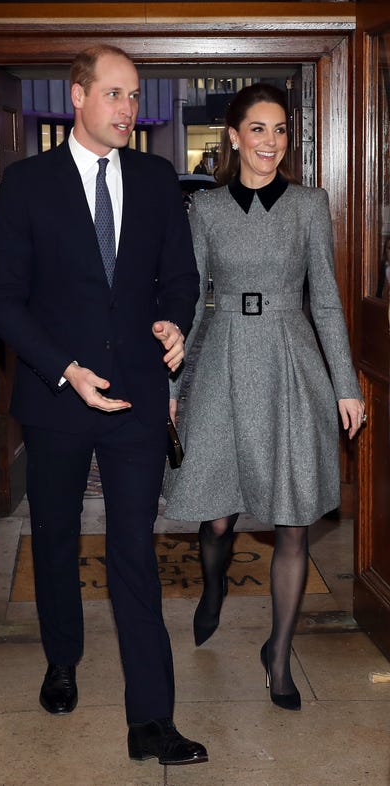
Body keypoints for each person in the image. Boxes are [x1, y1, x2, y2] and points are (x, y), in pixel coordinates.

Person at [0, 45, 207, 766]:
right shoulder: (27, 183)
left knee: (133, 549)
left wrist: (174, 321)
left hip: (138, 396)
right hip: (57, 398)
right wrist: (64, 370)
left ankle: (152, 721)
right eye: (114, 94)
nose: (127, 109)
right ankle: (62, 659)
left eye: (135, 96)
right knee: (53, 537)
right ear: (77, 96)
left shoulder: (152, 177)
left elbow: (180, 277)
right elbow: (4, 300)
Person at [164, 83, 365, 712]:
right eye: (258, 129)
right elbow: (192, 303)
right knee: (218, 516)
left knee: (292, 521)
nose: (269, 143)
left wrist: (346, 386)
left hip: (289, 362)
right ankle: (215, 586)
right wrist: (173, 386)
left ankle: (278, 656)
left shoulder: (310, 205)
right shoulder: (208, 210)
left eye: (280, 131)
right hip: (222, 357)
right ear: (233, 136)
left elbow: (327, 302)